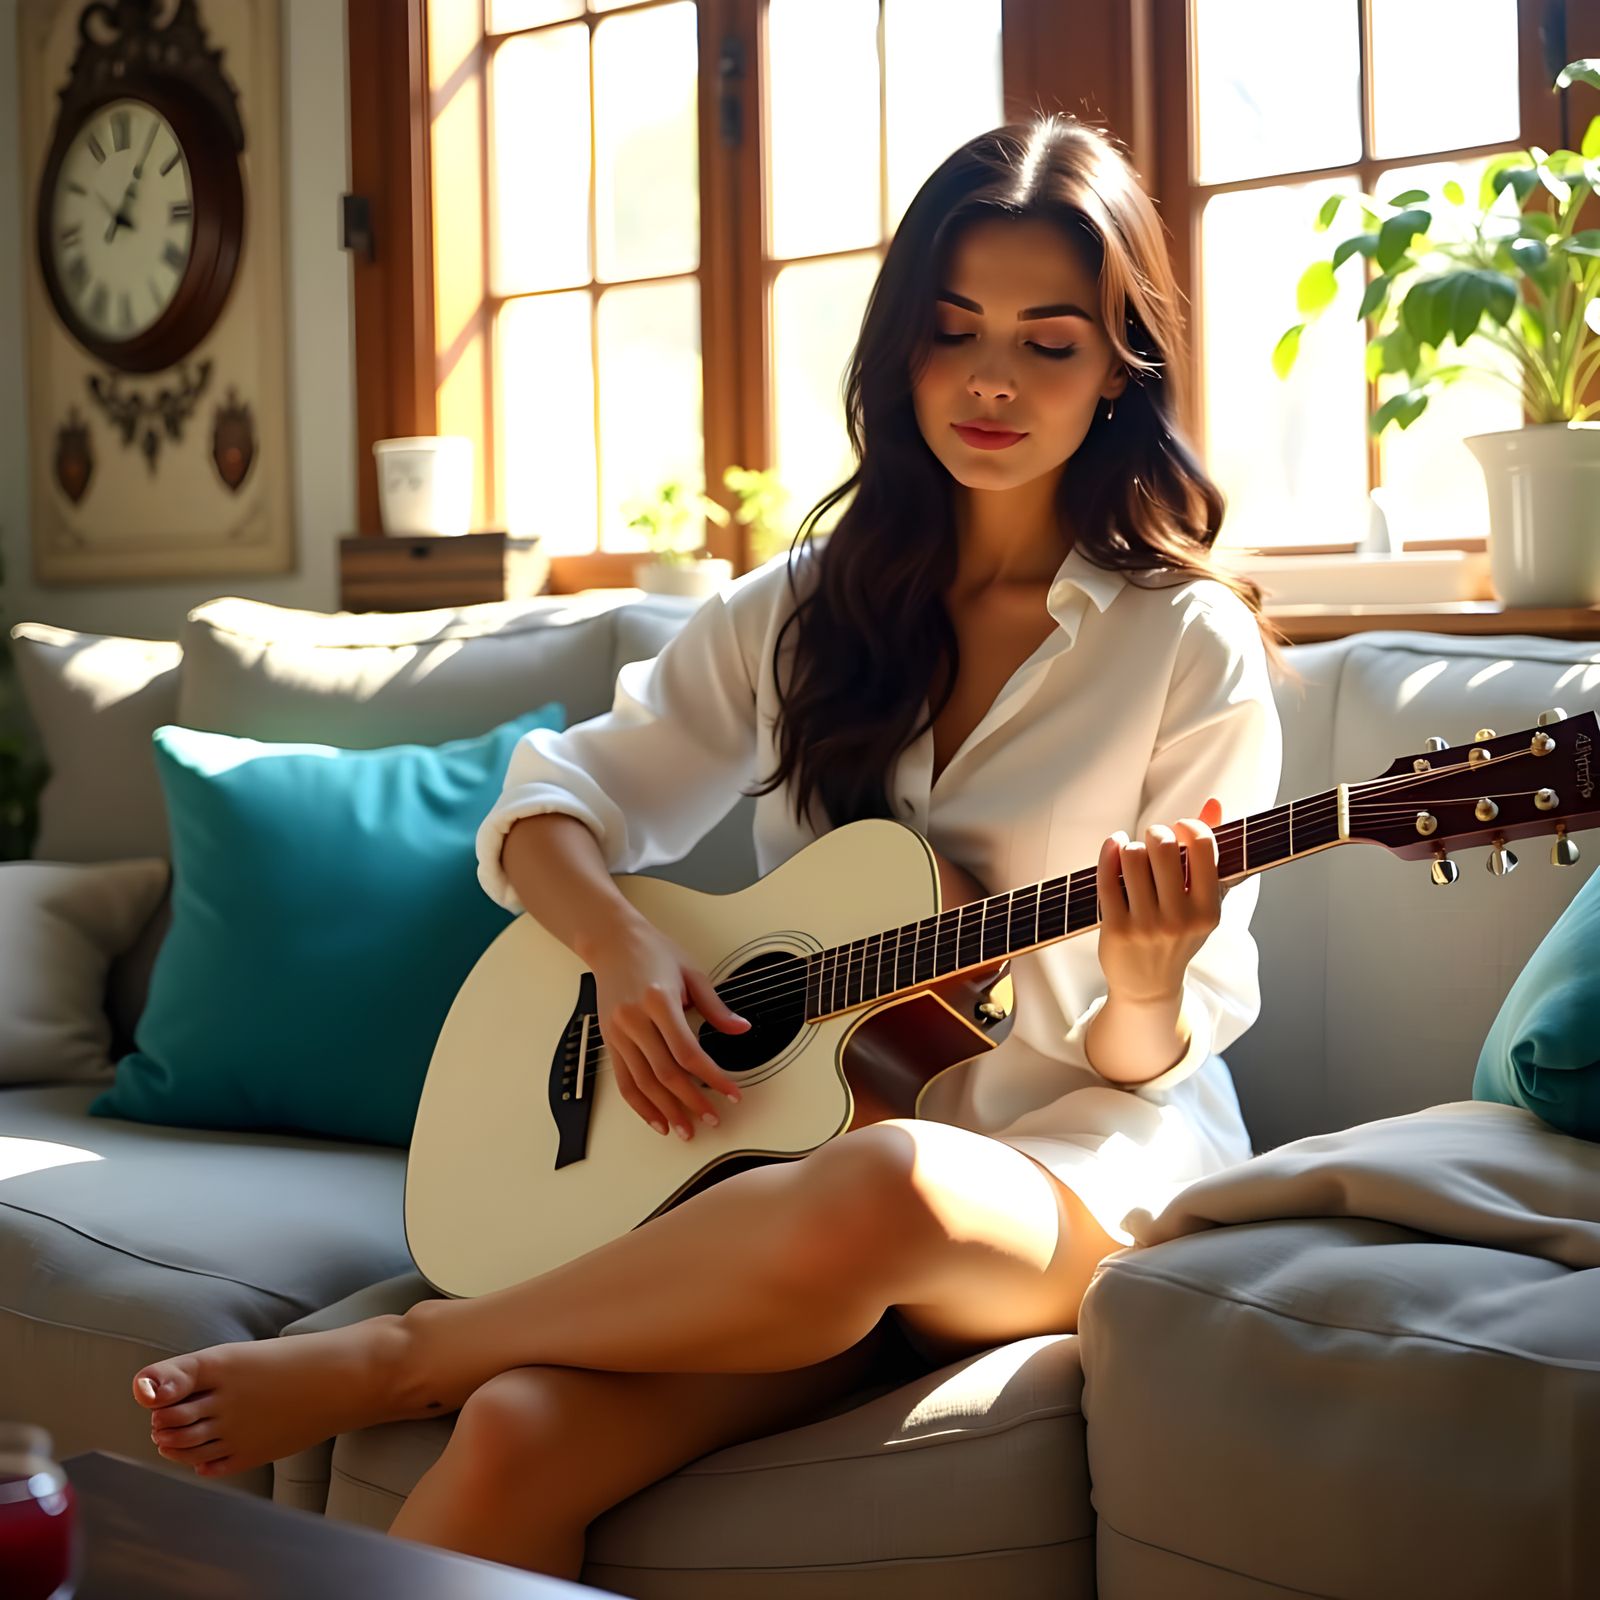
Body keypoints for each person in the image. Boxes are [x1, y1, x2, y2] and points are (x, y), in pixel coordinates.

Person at [131, 114, 1283, 1579]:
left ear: (1120, 367)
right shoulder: (800, 610)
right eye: (952, 331)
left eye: (1047, 344)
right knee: (519, 1435)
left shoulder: (1189, 642)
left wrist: (1147, 975)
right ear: (899, 350)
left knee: (895, 1181)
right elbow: (549, 804)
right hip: (785, 1196)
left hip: (1053, 1178)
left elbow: (1145, 1058)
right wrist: (622, 950)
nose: (990, 380)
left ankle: (409, 1355)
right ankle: (474, 1381)